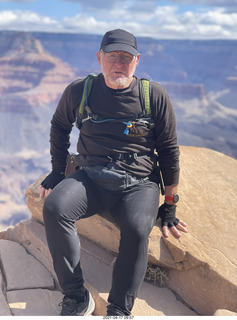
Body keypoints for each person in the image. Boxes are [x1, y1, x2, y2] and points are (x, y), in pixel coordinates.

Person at [40, 28, 188, 316]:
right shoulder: (80, 91)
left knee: (136, 228)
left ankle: (119, 309)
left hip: (139, 184)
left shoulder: (153, 95)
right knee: (55, 207)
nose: (118, 63)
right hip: (90, 177)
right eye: (112, 56)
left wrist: (169, 204)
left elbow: (169, 150)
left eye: (126, 57)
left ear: (137, 61)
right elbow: (59, 127)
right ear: (99, 58)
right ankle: (76, 296)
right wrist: (58, 172)